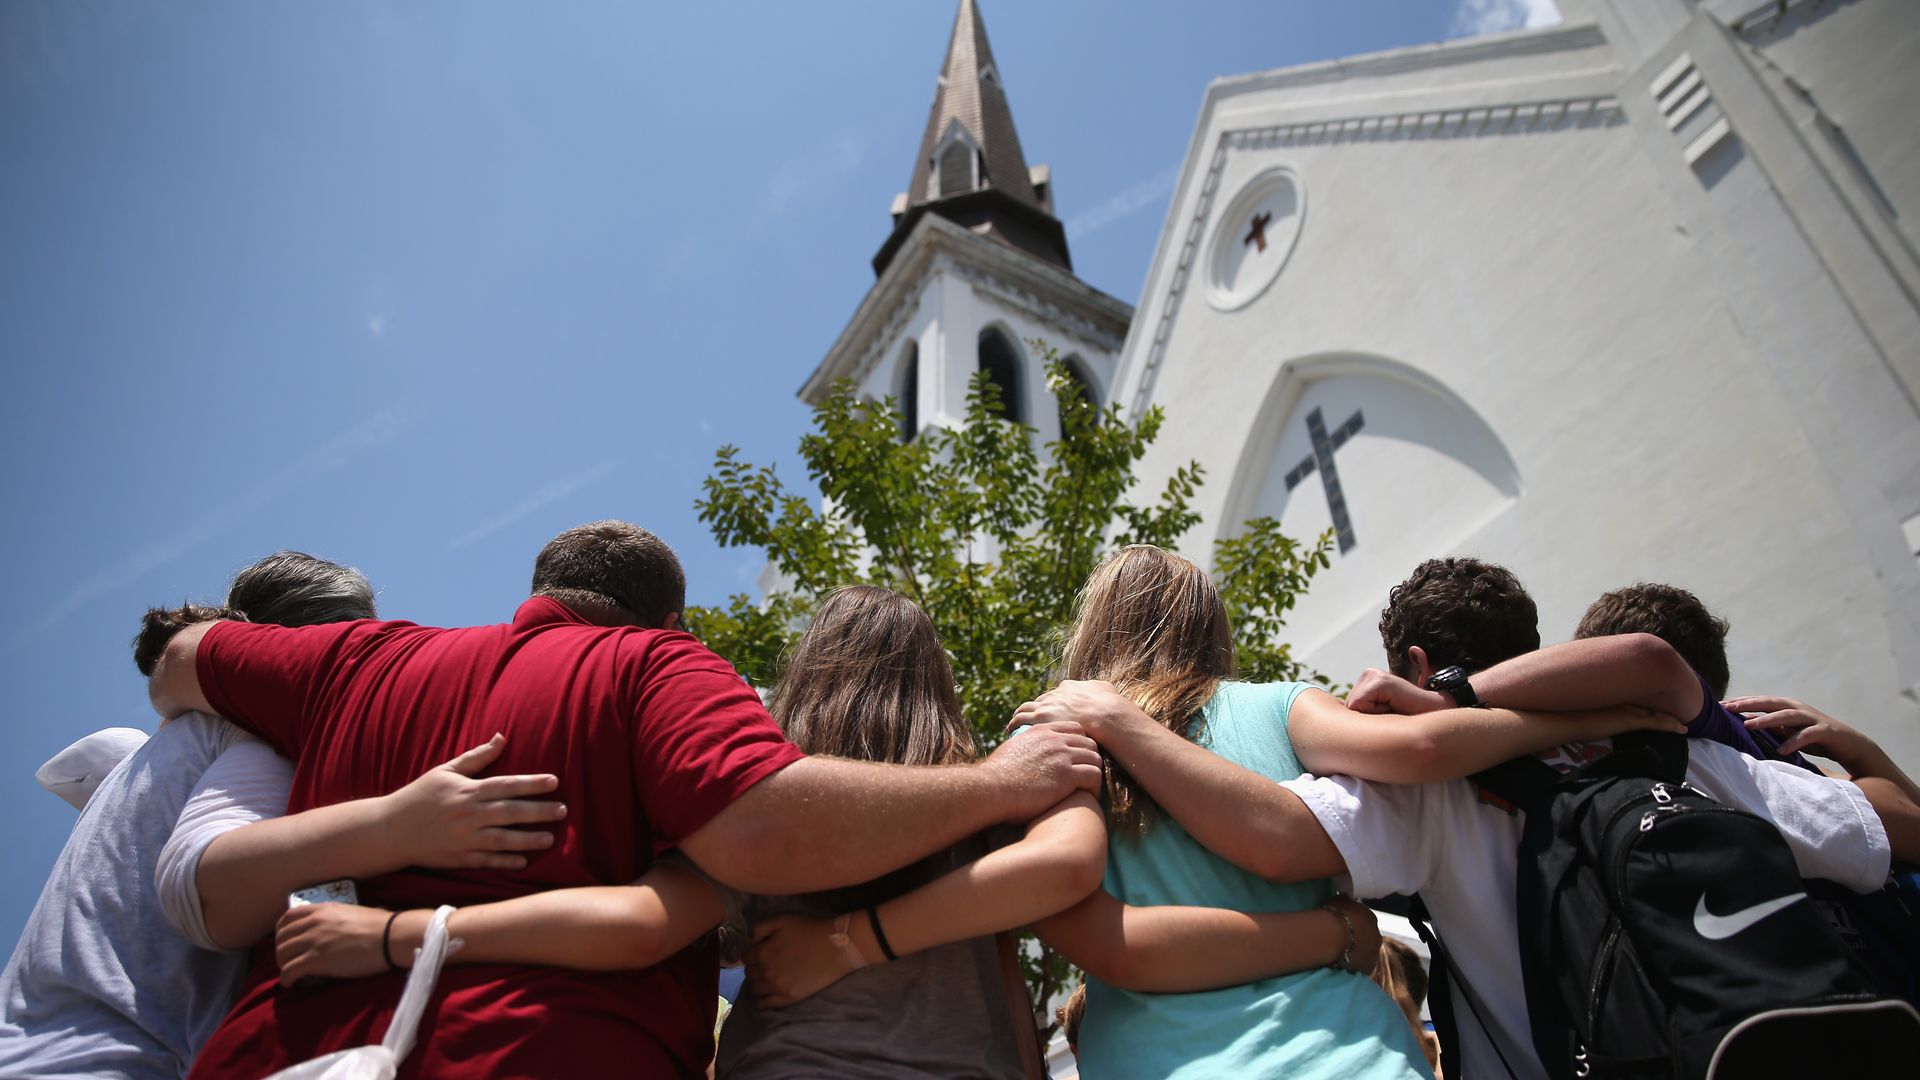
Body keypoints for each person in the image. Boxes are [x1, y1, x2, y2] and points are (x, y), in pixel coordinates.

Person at [270, 586, 1380, 1077]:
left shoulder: (756, 804)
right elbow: (1068, 868)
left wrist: (399, 934)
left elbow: (640, 921)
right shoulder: (993, 776)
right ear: (940, 681)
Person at [146, 522, 1101, 1079]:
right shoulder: (658, 669)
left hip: (286, 1054)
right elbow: (757, 835)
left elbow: (181, 660)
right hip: (548, 1055)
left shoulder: (359, 657)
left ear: (537, 591)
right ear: (671, 622)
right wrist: (997, 785)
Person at [1018, 556, 1920, 1080]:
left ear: (1410, 662)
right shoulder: (1663, 749)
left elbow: (1281, 836)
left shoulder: (1421, 803)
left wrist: (1119, 725)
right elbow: (1891, 832)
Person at [0, 553, 554, 1079]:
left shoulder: (155, 753)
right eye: (349, 651)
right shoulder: (249, 739)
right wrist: (402, 826)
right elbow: (203, 887)